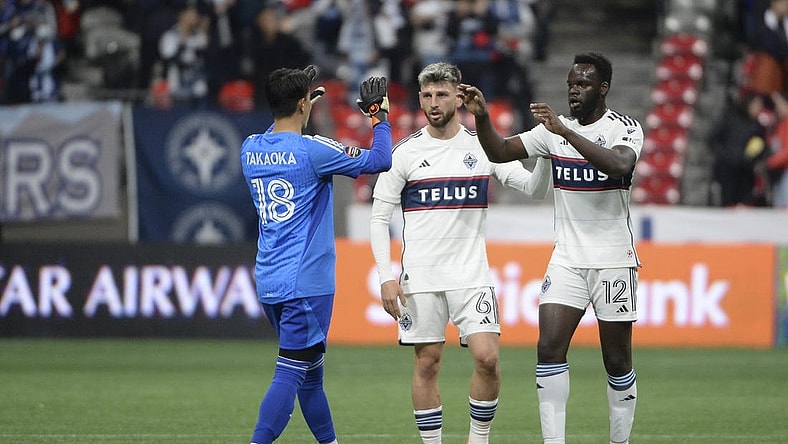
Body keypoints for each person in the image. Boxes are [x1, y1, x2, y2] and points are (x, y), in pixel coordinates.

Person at [460, 52, 643, 444]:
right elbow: (500, 152)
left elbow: (618, 166)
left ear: (603, 88)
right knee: (548, 348)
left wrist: (565, 133)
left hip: (613, 260)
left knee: (616, 360)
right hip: (568, 259)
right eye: (570, 84)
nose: (574, 90)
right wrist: (482, 117)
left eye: (583, 84)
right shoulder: (551, 131)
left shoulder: (623, 128)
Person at [369, 62, 551, 444]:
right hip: (421, 277)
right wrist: (385, 275)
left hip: (471, 276)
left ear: (459, 96)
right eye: (427, 96)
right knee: (427, 362)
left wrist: (547, 152)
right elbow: (378, 216)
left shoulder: (481, 147)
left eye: (441, 95)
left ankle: (478, 439)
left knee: (488, 359)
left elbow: (534, 189)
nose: (433, 103)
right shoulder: (405, 153)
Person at [241, 65, 392, 444]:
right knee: (290, 373)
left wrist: (302, 105)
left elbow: (286, 141)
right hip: (307, 283)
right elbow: (379, 160)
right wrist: (379, 115)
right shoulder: (314, 150)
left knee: (310, 374)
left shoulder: (250, 149)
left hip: (270, 280)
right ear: (303, 103)